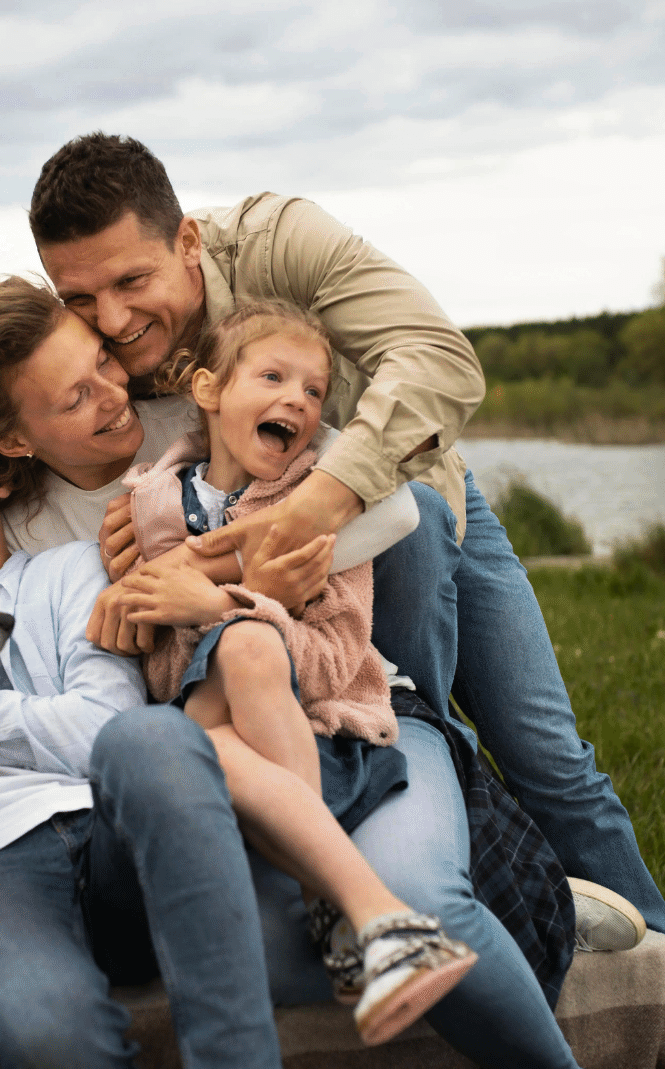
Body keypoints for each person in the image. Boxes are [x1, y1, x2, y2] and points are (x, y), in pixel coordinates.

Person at [0, 276, 589, 1067]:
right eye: (73, 397)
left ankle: (417, 908)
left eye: (101, 364)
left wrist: (214, 577)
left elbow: (408, 518)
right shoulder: (29, 537)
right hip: (181, 761)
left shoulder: (179, 436)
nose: (111, 397)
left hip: (322, 716)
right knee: (189, 803)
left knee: (401, 880)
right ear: (12, 446)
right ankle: (389, 903)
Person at [28, 132, 665, 965]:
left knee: (542, 751)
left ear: (187, 240)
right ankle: (482, 897)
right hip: (258, 580)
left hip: (403, 506)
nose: (112, 319)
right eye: (80, 297)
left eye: (132, 281)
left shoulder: (279, 241)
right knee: (389, 732)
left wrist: (312, 507)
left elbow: (440, 357)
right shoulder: (97, 342)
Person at [0, 404, 283, 1069]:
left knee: (151, 735)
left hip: (117, 832)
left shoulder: (68, 572)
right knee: (45, 1030)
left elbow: (101, 729)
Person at [119, 298, 478, 1041]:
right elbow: (160, 674)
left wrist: (227, 605)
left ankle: (348, 907)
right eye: (274, 375)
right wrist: (209, 610)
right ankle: (368, 915)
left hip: (316, 735)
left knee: (249, 647)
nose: (298, 400)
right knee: (215, 699)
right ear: (209, 389)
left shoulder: (323, 505)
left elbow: (336, 661)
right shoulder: (150, 504)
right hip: (219, 744)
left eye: (314, 391)